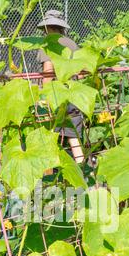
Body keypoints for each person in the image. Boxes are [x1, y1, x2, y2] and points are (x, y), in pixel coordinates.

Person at [37, 10, 85, 165]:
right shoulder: (72, 44)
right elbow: (82, 73)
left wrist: (44, 98)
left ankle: (50, 172)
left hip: (56, 95)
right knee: (73, 134)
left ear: (48, 28)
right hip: (74, 93)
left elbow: (48, 72)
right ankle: (82, 168)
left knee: (50, 135)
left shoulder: (48, 44)